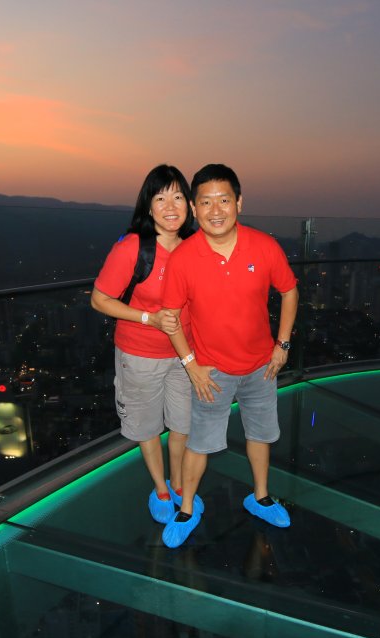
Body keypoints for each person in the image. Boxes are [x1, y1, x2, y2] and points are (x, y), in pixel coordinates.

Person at [159, 164, 299, 549]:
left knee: (261, 435)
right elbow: (170, 320)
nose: (215, 210)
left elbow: (289, 291)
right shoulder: (184, 258)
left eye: (224, 200)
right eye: (206, 202)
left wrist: (282, 345)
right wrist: (192, 367)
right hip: (211, 371)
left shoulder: (264, 246)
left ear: (239, 202)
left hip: (261, 367)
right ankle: (186, 509)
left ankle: (261, 496)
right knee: (199, 443)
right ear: (194, 206)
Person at [91, 165, 203, 525]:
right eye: (160, 197)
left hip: (185, 356)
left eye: (177, 197)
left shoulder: (195, 248)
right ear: (148, 206)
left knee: (183, 426)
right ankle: (162, 490)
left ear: (189, 204)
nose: (170, 206)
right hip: (139, 355)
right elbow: (100, 299)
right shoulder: (133, 248)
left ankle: (183, 488)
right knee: (147, 427)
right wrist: (148, 318)